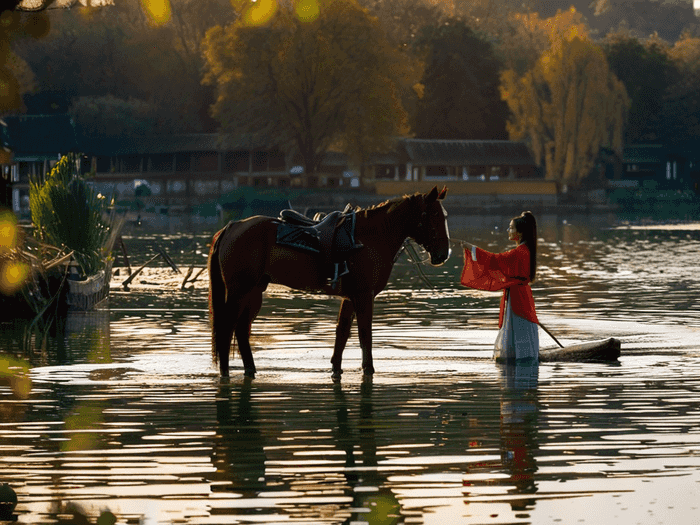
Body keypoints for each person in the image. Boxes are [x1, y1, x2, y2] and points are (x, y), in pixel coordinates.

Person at [460, 211, 539, 362]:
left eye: (511, 228)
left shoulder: (519, 252)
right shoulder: (524, 250)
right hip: (519, 295)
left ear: (520, 232)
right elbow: (499, 261)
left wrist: (471, 248)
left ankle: (519, 357)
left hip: (518, 297)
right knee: (520, 329)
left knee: (518, 327)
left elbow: (495, 260)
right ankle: (522, 355)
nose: (508, 231)